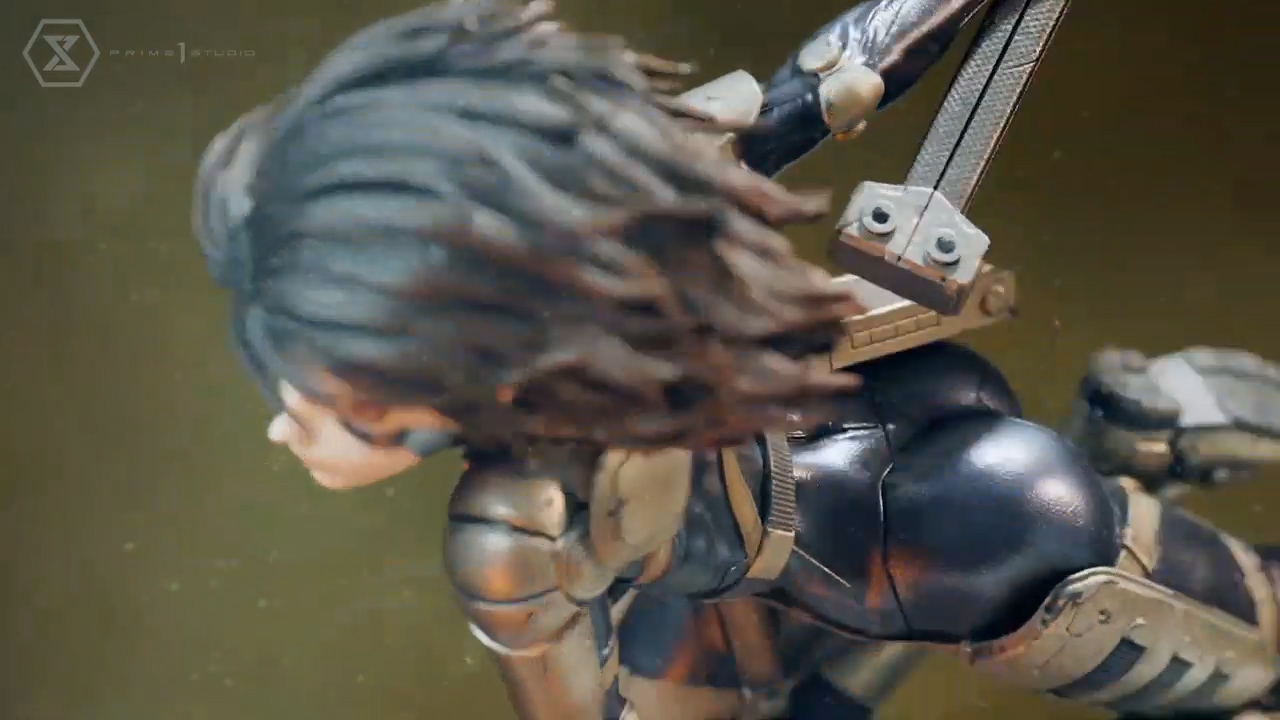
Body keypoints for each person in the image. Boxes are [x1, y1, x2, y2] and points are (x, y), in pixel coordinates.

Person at [193, 2, 1280, 718]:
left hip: (941, 519)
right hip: (756, 567)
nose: (287, 427)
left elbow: (832, 83)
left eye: (338, 405)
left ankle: (1137, 453)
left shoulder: (514, 526)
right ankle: (1136, 439)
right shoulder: (541, 441)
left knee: (1250, 658)